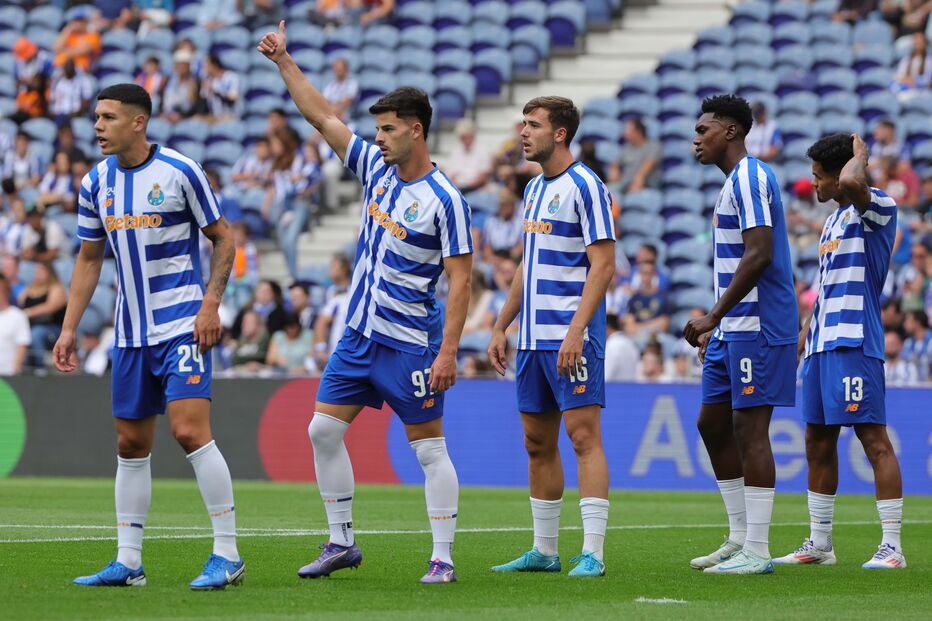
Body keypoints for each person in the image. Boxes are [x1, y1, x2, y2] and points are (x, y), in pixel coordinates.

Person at [259, 21, 473, 584]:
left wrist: (447, 351)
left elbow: (462, 281)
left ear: (416, 132)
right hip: (357, 335)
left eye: (387, 130)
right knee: (321, 432)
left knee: (429, 452)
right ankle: (341, 542)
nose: (377, 138)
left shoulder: (445, 201)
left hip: (408, 345)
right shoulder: (376, 169)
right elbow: (324, 118)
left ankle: (443, 557)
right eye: (376, 129)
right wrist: (284, 62)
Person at [52, 84, 244, 589]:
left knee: (188, 431)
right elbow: (89, 257)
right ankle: (129, 562)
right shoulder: (95, 182)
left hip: (182, 324)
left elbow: (224, 237)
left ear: (138, 122)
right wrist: (69, 329)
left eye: (108, 118)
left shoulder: (181, 171)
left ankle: (228, 553)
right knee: (130, 442)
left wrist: (210, 304)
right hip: (130, 332)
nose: (97, 126)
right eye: (96, 117)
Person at [487, 96, 616, 577]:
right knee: (536, 443)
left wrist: (577, 330)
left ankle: (594, 553)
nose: (523, 132)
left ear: (560, 133)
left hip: (571, 337)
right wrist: (502, 323)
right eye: (523, 123)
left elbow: (603, 263)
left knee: (583, 438)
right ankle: (544, 550)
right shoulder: (535, 190)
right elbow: (528, 263)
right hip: (533, 340)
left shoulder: (586, 186)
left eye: (533, 124)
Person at [773, 133, 906, 569]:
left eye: (818, 177)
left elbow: (852, 185)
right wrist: (803, 336)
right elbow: (826, 288)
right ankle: (820, 543)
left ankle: (892, 547)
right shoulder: (831, 223)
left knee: (873, 440)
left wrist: (861, 158)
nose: (814, 185)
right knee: (816, 440)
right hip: (820, 345)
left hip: (854, 341)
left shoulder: (878, 209)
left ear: (840, 174)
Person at [684, 94, 798, 575]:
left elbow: (759, 253)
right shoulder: (733, 183)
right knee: (712, 424)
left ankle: (758, 548)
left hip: (759, 324)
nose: (696, 140)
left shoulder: (751, 177)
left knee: (751, 430)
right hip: (734, 327)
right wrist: (720, 324)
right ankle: (737, 536)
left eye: (703, 130)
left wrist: (712, 315)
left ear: (730, 131)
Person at [607, 118, 661, 195]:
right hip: (625, 184)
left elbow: (647, 167)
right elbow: (615, 163)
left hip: (645, 185)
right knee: (605, 191)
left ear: (638, 132)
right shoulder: (627, 147)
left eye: (628, 130)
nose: (625, 133)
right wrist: (614, 170)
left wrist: (639, 179)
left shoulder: (653, 146)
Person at [447, 118, 493, 194]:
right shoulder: (456, 150)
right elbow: (452, 174)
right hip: (458, 188)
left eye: (465, 136)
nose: (463, 140)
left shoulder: (483, 150)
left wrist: (467, 187)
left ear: (472, 135)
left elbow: (484, 175)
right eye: (461, 137)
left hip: (476, 189)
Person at [0, 276, 32, 375]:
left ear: (6, 292)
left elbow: (22, 346)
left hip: (7, 377)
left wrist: (15, 374)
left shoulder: (18, 316)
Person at [322, 57, 358, 123]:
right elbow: (324, 102)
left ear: (346, 70)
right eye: (336, 69)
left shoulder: (352, 84)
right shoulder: (330, 86)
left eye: (340, 69)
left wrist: (332, 105)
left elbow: (347, 102)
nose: (337, 71)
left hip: (346, 119)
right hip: (331, 116)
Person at [902, 309, 932, 381]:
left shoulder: (931, 341)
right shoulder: (907, 343)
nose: (904, 324)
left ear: (917, 322)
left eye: (907, 321)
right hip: (912, 386)